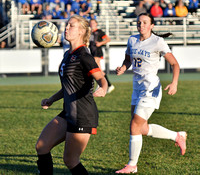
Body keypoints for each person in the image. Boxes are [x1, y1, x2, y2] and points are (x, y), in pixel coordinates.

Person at [35, 15, 108, 175]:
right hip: (68, 112)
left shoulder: (84, 56)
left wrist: (103, 88)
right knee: (42, 146)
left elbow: (101, 78)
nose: (66, 28)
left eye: (71, 26)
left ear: (81, 31)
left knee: (70, 160)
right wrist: (52, 99)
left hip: (82, 114)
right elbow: (68, 86)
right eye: (67, 25)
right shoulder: (68, 54)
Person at [115, 13, 187, 174]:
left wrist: (174, 83)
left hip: (151, 88)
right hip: (137, 88)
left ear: (152, 25)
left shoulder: (158, 41)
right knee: (141, 128)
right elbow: (128, 60)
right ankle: (177, 136)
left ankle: (132, 165)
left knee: (134, 125)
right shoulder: (132, 40)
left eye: (145, 22)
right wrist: (122, 68)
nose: (141, 25)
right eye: (139, 22)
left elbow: (175, 64)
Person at [89, 19, 115, 94]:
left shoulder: (99, 32)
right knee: (99, 70)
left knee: (95, 68)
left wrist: (100, 43)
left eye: (93, 23)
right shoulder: (90, 33)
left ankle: (100, 84)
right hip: (92, 52)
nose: (92, 24)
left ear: (96, 24)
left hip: (97, 52)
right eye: (91, 23)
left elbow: (108, 39)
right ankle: (109, 85)